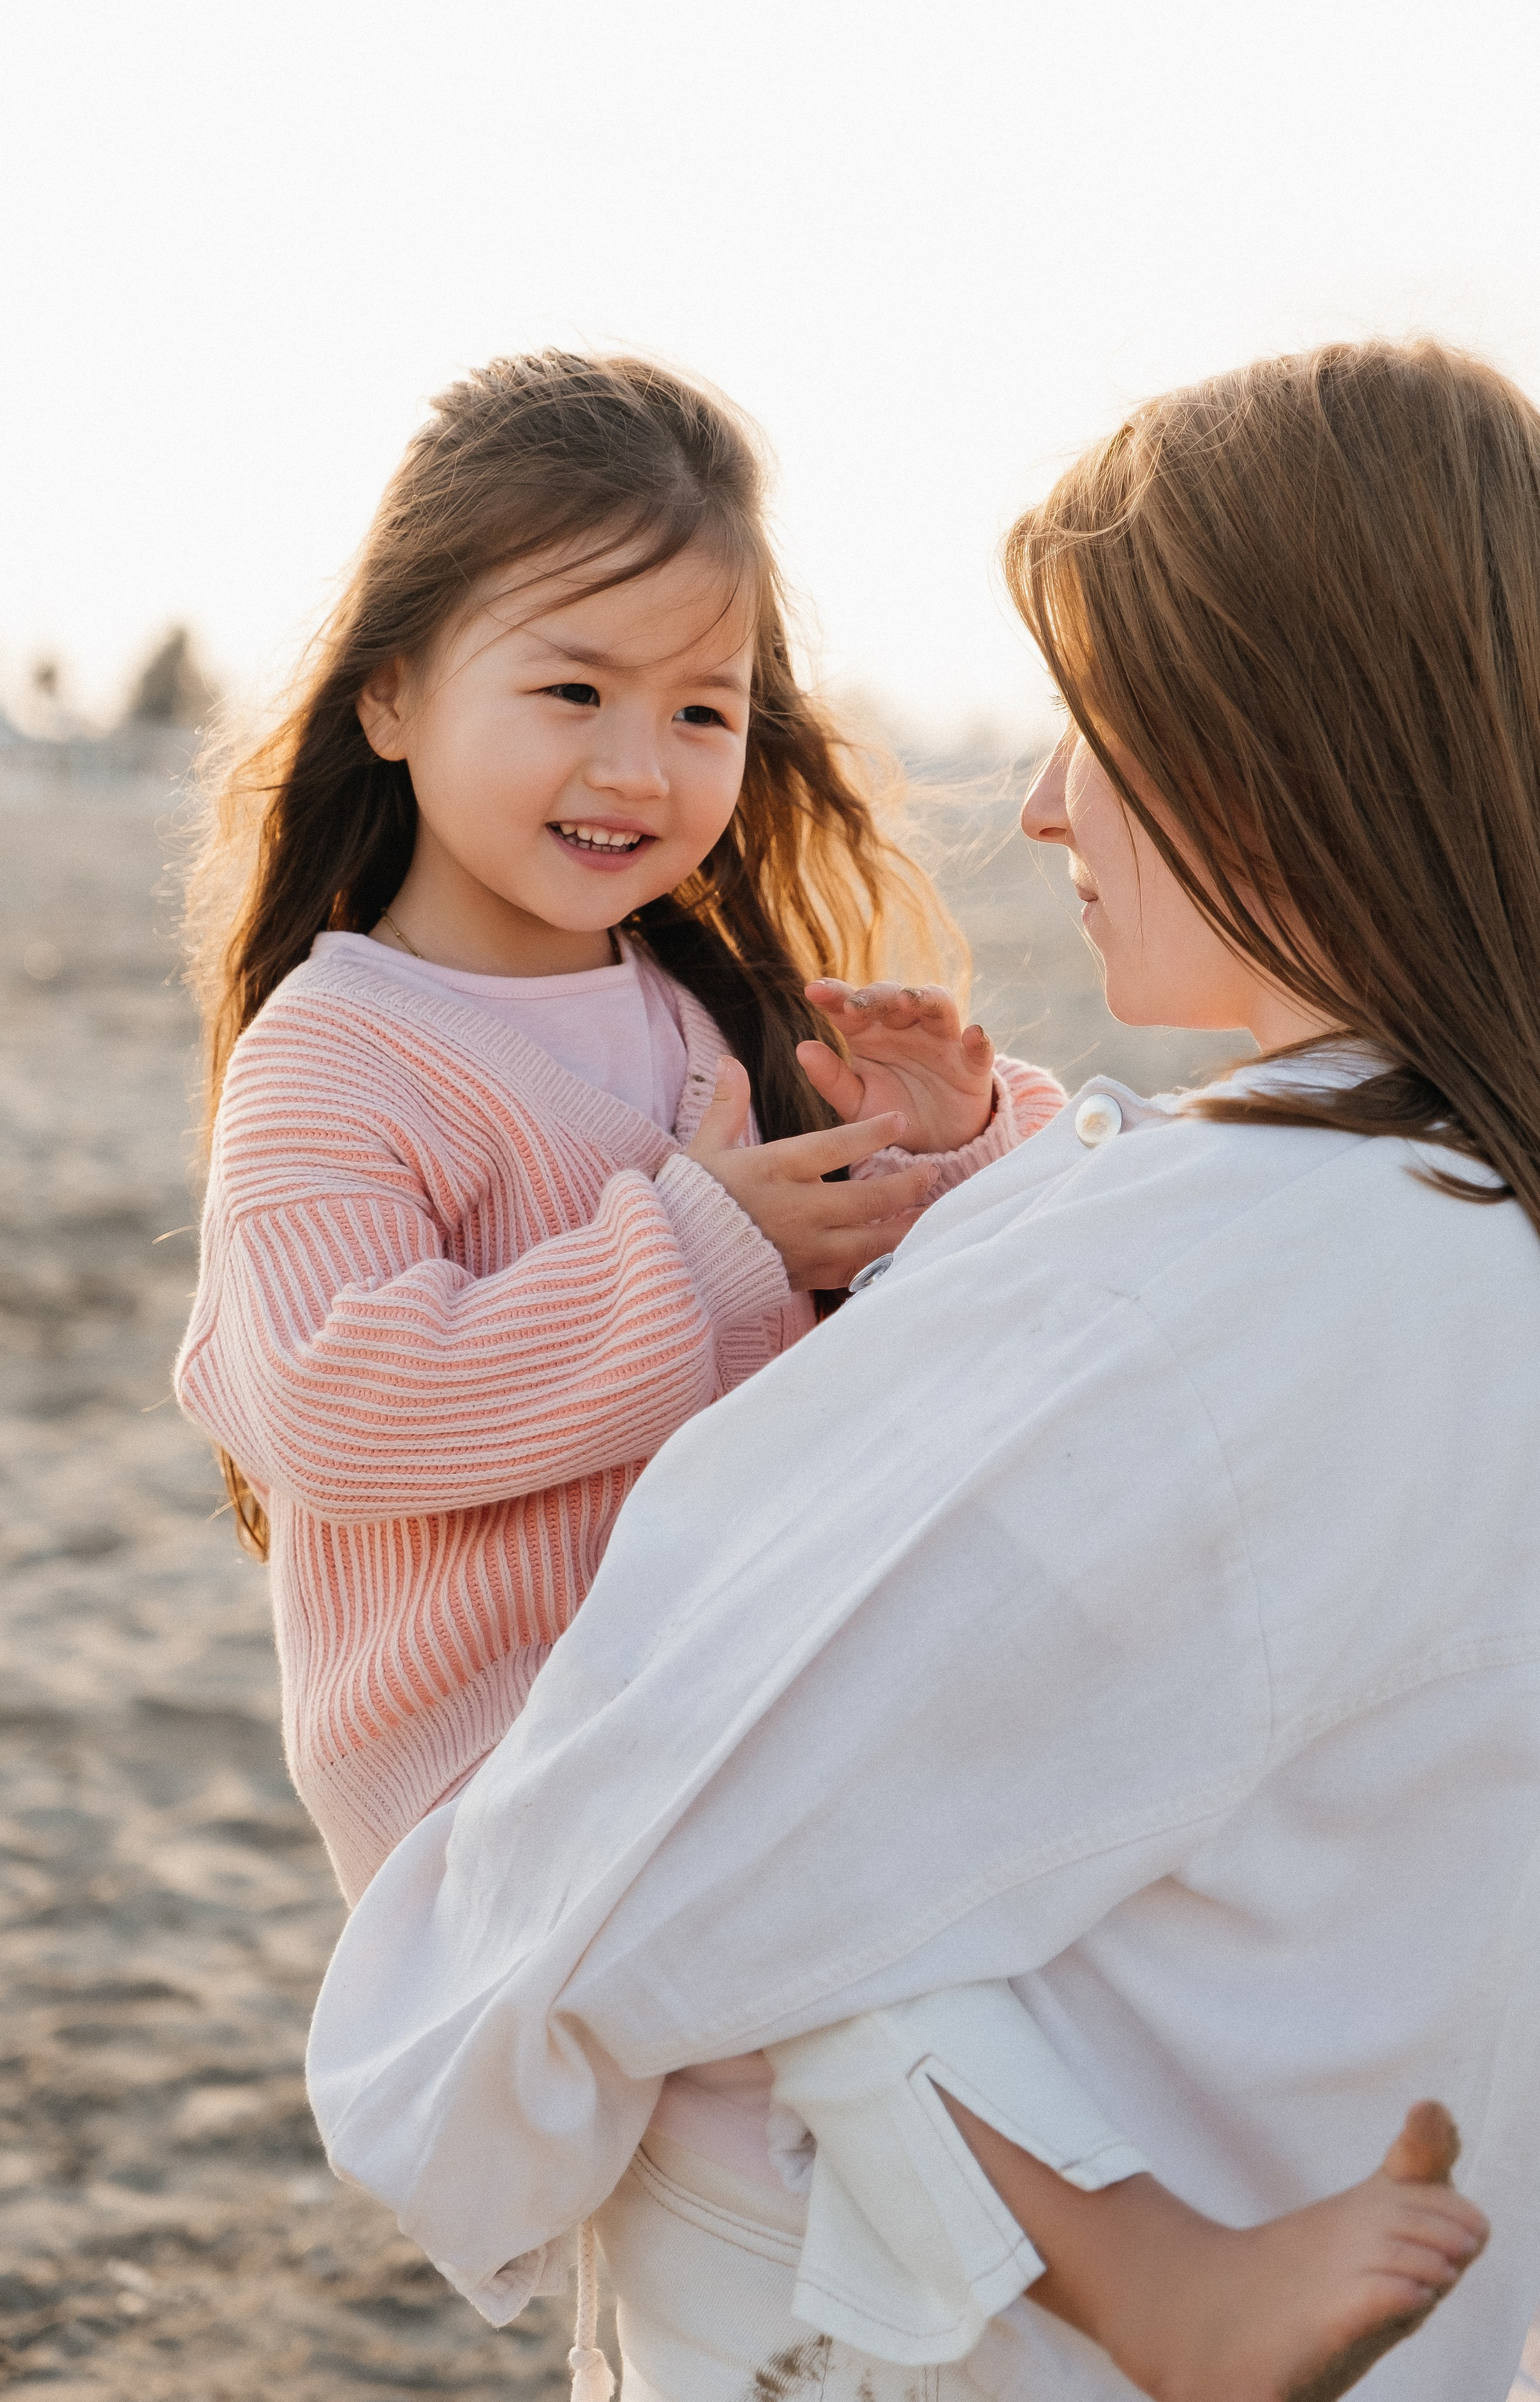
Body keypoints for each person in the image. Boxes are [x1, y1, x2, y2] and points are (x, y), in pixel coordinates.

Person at [302, 336, 1540, 2401]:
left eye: (1094, 727)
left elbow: (647, 1885)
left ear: (1284, 748)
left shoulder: (1209, 1286)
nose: (1035, 803)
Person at [174, 350, 1066, 1900]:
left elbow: (976, 1317)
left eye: (700, 711)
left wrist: (942, 1142)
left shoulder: (718, 1007)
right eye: (572, 690)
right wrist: (713, 1248)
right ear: (390, 692)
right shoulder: (337, 1053)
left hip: (748, 1729)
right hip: (515, 1803)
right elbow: (340, 1407)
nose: (635, 767)